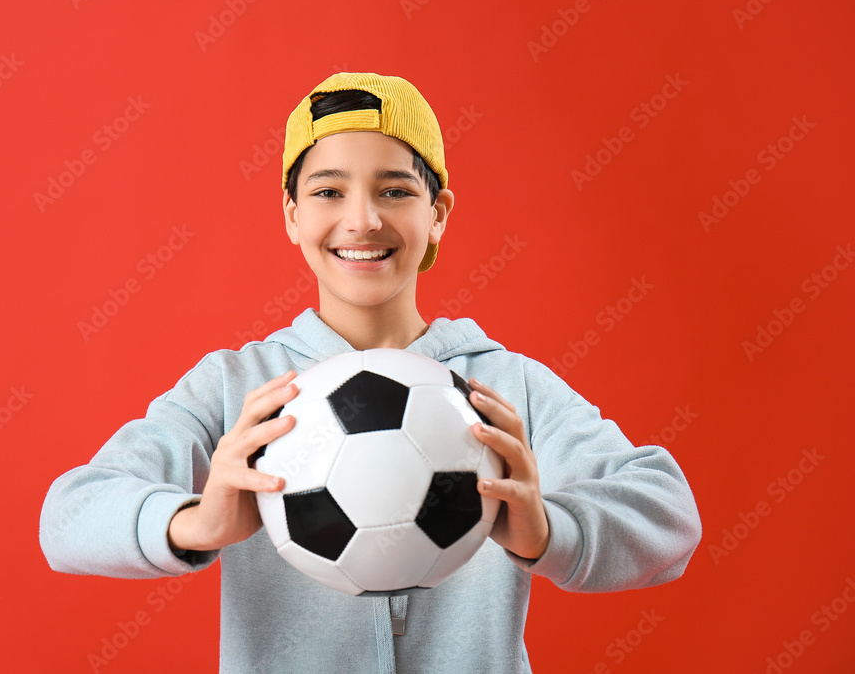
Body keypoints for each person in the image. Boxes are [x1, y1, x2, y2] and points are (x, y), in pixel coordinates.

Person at [39, 72, 703, 673]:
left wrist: (551, 530)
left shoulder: (504, 390)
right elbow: (67, 517)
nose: (363, 218)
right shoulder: (237, 389)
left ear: (437, 213)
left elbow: (670, 514)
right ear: (292, 215)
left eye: (395, 189)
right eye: (328, 190)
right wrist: (193, 521)